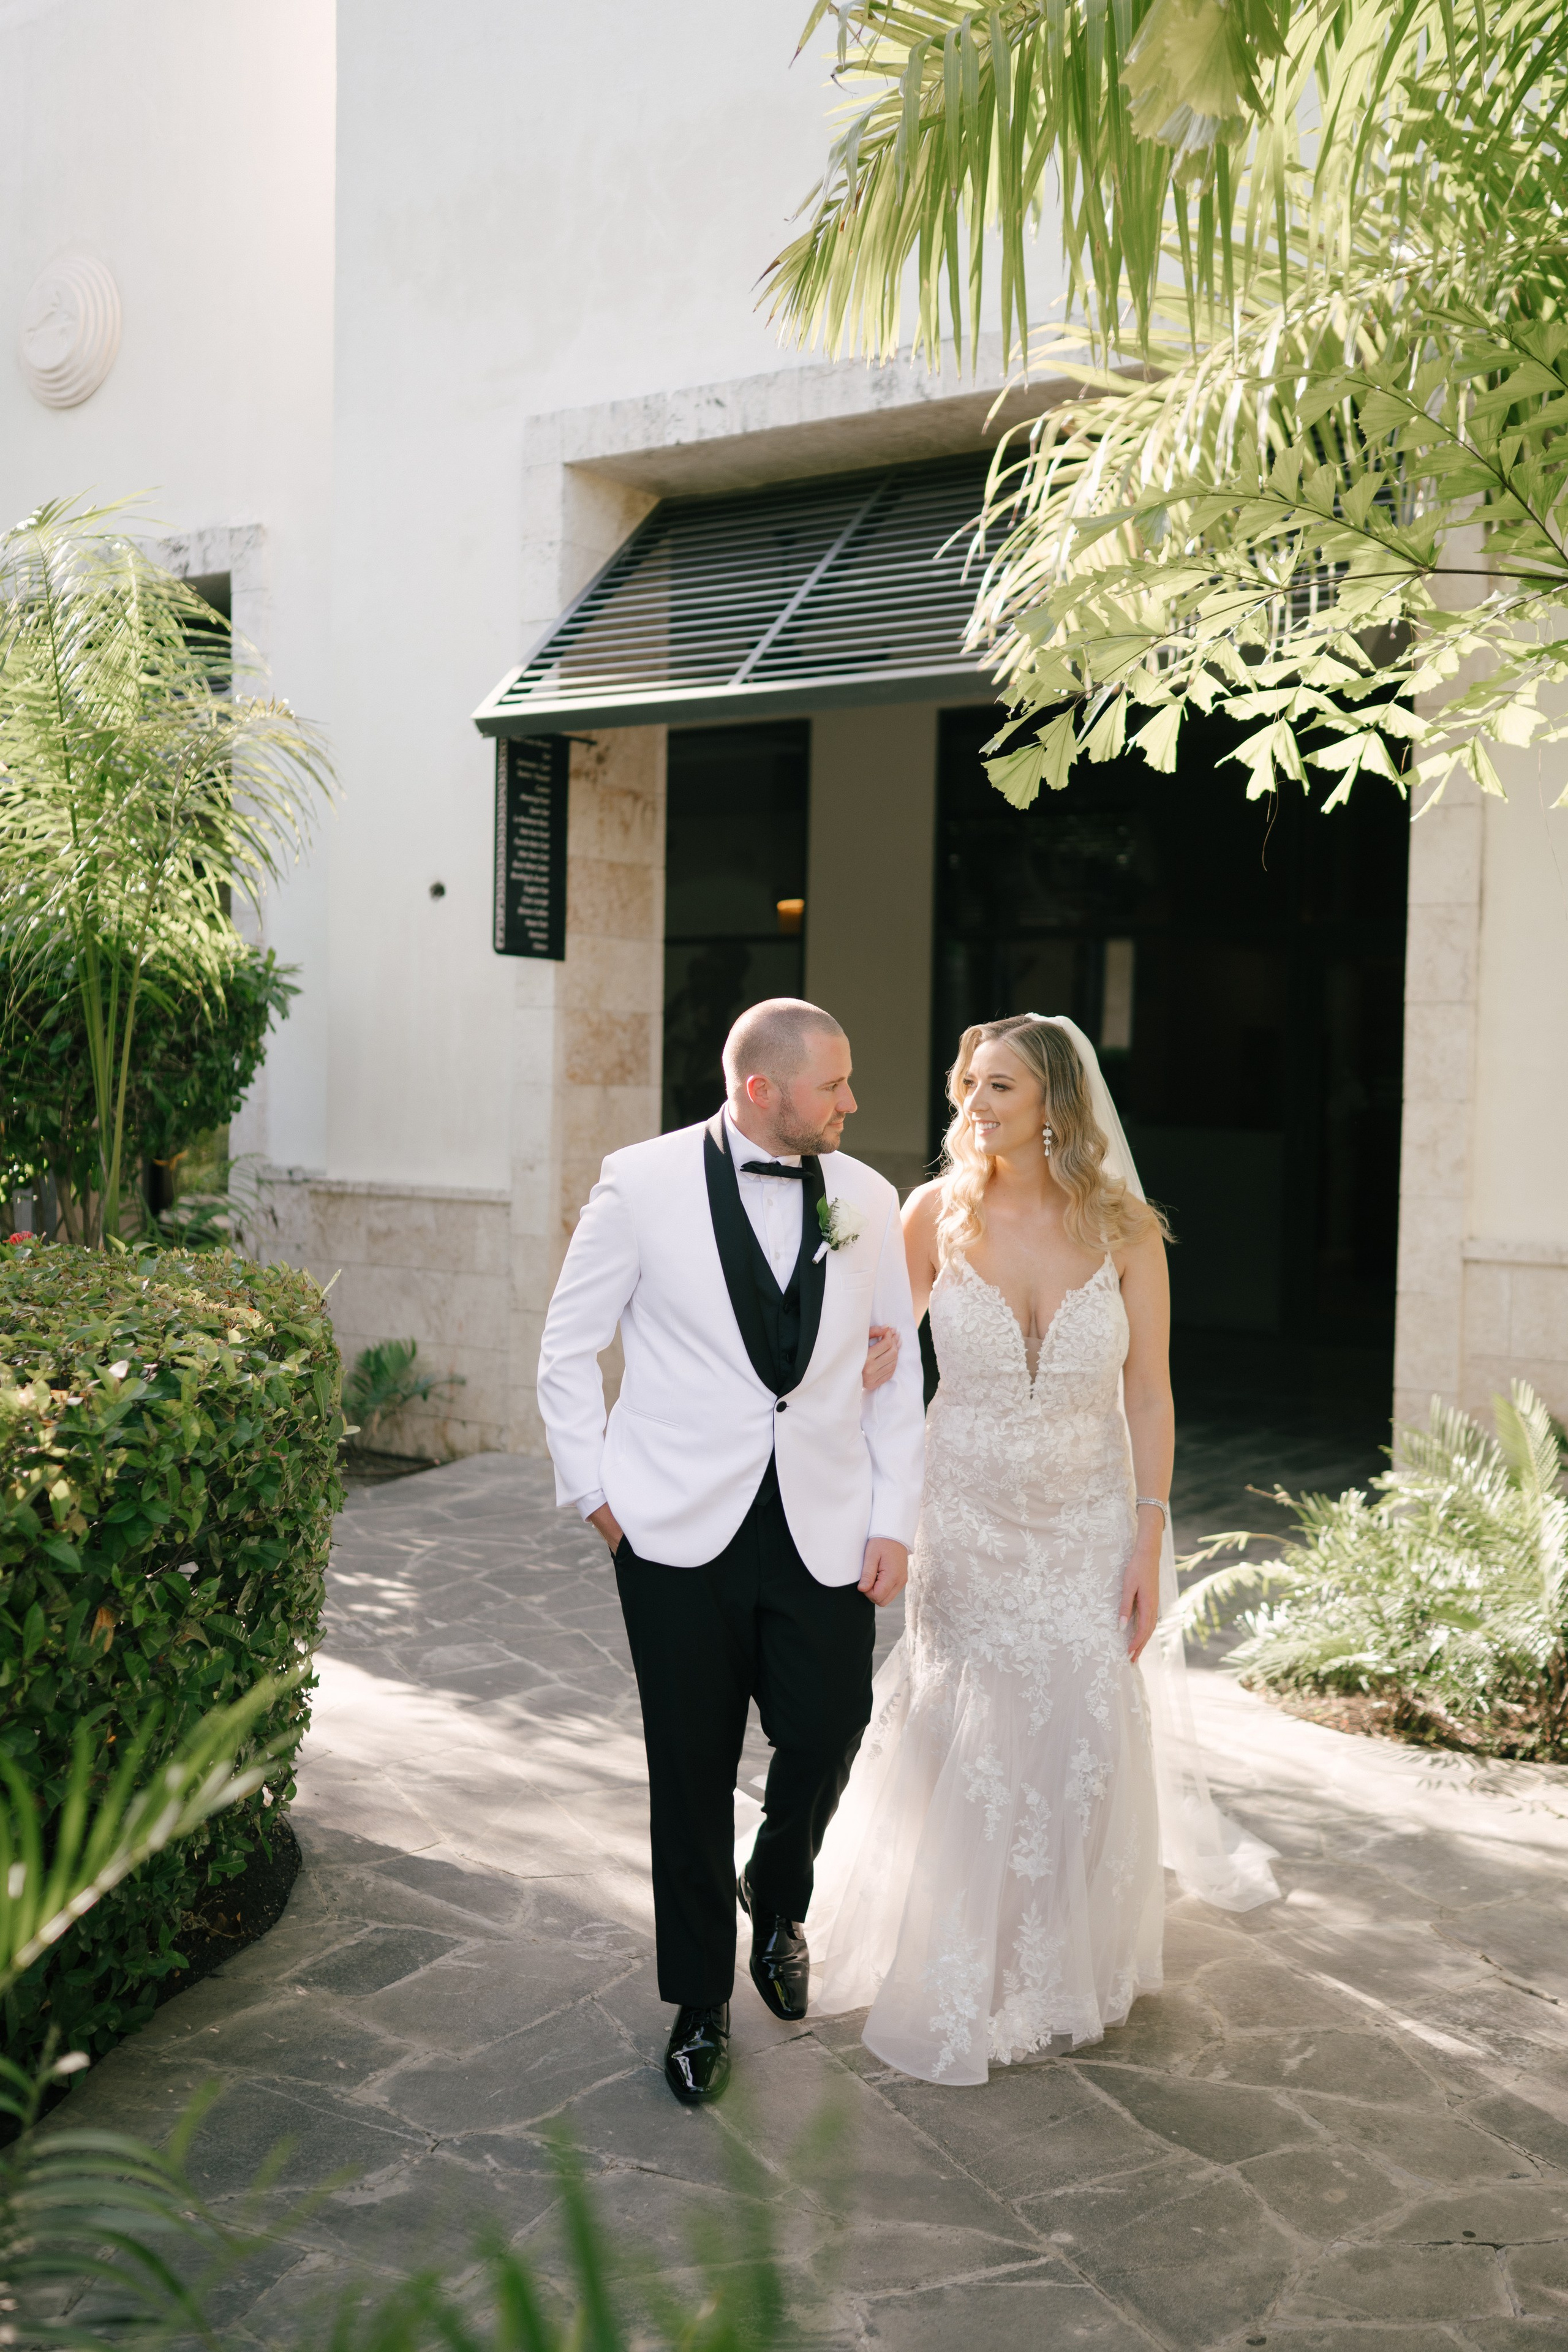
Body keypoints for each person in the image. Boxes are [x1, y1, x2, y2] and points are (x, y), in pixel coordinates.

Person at [807, 1014, 1278, 2084]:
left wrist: (1150, 1534)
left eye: (1001, 1088)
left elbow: (1149, 1390)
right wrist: (871, 1362)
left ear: (1058, 1102)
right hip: (964, 1509)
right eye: (970, 1085)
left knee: (1078, 1722)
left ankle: (1054, 1959)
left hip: (1085, 1513)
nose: (974, 1105)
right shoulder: (934, 1214)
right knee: (969, 1724)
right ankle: (955, 1955)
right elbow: (876, 1353)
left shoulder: (1124, 1229)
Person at [536, 998, 927, 2105]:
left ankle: (780, 1888)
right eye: (836, 1085)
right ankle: (699, 1998)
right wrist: (598, 1500)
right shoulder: (640, 1182)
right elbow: (568, 1349)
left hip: (824, 1514)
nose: (854, 1102)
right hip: (669, 1526)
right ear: (764, 1089)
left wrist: (894, 1515)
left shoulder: (867, 1196)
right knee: (691, 1767)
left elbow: (898, 1371)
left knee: (830, 1724)